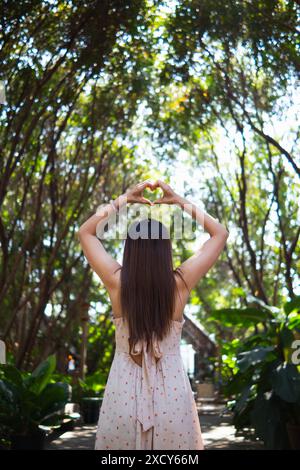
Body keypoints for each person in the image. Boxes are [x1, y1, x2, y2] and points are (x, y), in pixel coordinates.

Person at [77, 179, 229, 450]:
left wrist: (124, 199)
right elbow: (219, 234)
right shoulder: (179, 285)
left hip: (122, 396)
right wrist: (178, 200)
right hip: (172, 397)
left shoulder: (116, 282)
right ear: (165, 251)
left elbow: (86, 233)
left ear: (129, 250)